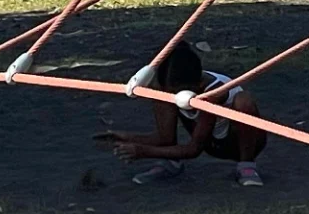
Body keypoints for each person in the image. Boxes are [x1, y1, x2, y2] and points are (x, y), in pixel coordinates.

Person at [98, 40, 267, 187]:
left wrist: (143, 151)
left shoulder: (214, 92)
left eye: (176, 91)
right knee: (163, 96)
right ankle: (170, 164)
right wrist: (126, 137)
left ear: (197, 84)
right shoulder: (165, 89)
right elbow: (164, 138)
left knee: (244, 100)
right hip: (210, 143)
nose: (170, 93)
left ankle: (247, 165)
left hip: (237, 144)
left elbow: (194, 149)